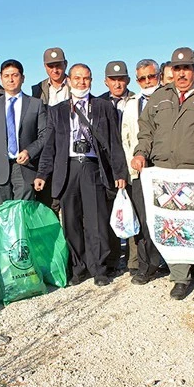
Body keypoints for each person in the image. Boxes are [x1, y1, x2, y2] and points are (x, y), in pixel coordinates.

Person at [133, 47, 194, 302]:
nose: (182, 73)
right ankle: (181, 278)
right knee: (171, 227)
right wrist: (141, 153)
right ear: (171, 71)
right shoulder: (160, 97)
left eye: (186, 68)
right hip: (165, 174)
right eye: (177, 68)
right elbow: (146, 130)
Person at [34, 63, 129, 286]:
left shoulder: (103, 107)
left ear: (91, 80)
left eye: (85, 78)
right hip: (68, 169)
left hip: (92, 167)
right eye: (77, 78)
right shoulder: (57, 111)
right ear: (68, 80)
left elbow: (114, 142)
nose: (81, 83)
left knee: (97, 220)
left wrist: (119, 171)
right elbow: (49, 147)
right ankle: (78, 267)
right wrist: (42, 174)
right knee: (72, 222)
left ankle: (99, 268)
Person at [0, 59, 47, 206]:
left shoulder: (36, 104)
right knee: (0, 217)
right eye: (7, 76)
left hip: (24, 168)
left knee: (23, 214)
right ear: (1, 78)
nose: (10, 79)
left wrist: (30, 151)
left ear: (22, 78)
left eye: (15, 75)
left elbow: (44, 135)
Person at [123, 59, 163, 284]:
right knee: (143, 219)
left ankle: (178, 265)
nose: (147, 81)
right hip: (139, 171)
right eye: (142, 78)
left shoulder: (169, 98)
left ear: (158, 75)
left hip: (165, 170)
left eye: (151, 76)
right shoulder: (131, 104)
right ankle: (147, 265)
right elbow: (125, 137)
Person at [99, 60, 136, 273]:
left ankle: (134, 262)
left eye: (121, 79)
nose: (117, 83)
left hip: (131, 162)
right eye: (113, 80)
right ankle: (112, 259)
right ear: (106, 82)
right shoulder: (99, 103)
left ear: (128, 80)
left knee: (132, 211)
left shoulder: (136, 100)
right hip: (108, 166)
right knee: (110, 212)